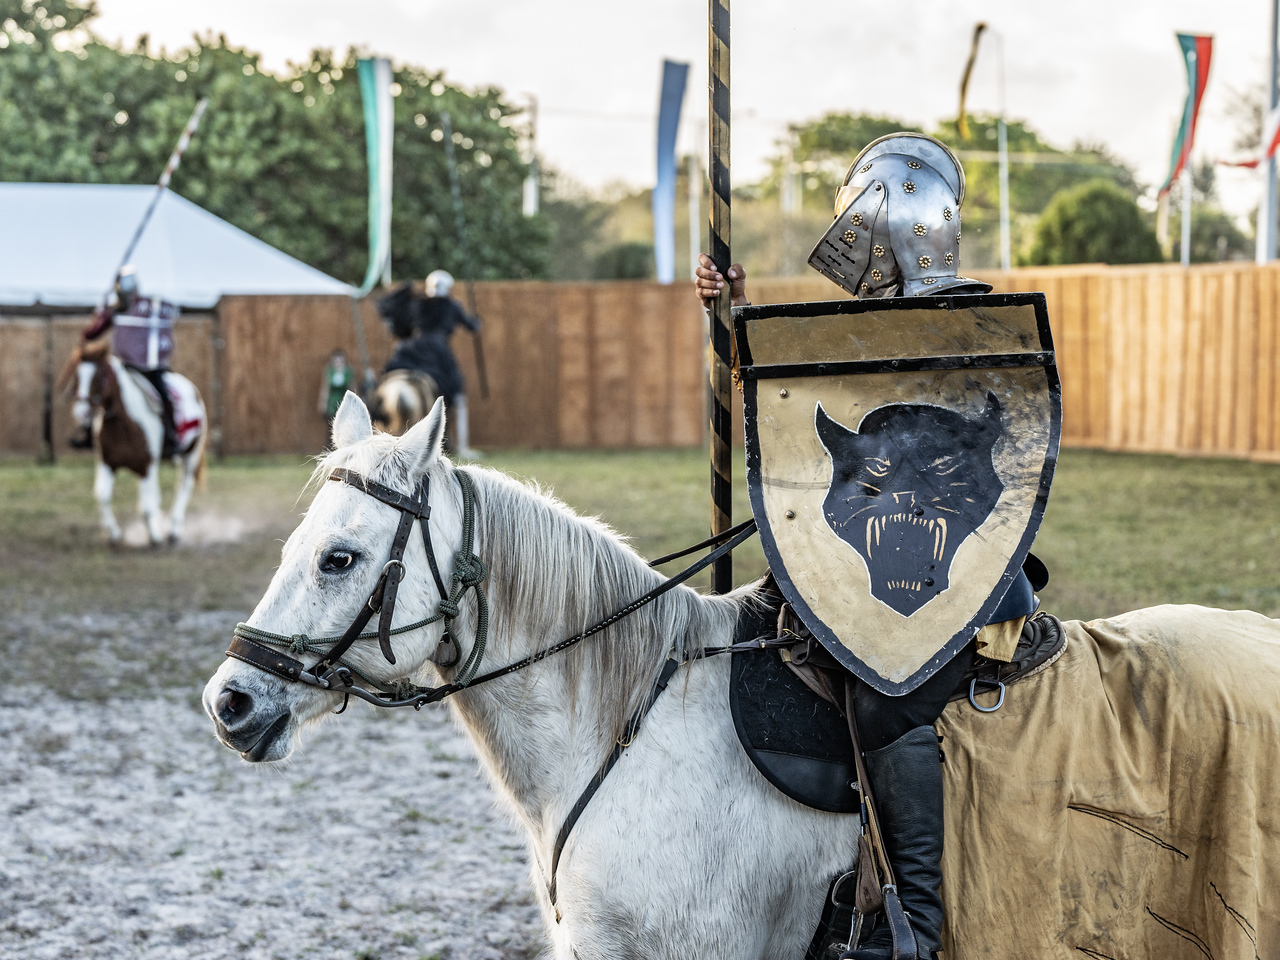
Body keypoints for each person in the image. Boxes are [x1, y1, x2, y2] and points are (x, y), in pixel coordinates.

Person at [696, 134, 1040, 960]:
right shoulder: (870, 325)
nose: (851, 252)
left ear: (903, 228)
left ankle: (913, 925)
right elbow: (802, 397)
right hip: (872, 563)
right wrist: (730, 312)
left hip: (961, 580)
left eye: (863, 230)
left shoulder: (975, 325)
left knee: (888, 694)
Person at [73, 266, 180, 455]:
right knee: (99, 392)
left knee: (164, 396)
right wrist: (99, 316)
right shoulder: (115, 311)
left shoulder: (146, 308)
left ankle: (171, 437)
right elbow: (92, 333)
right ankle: (89, 433)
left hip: (149, 367)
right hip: (124, 365)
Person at [377, 269, 481, 457]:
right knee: (455, 390)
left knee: (385, 379)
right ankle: (457, 443)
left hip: (409, 350)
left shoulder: (416, 303)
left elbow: (402, 326)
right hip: (437, 352)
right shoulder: (451, 305)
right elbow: (471, 325)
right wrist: (476, 321)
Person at [318, 348, 355, 447]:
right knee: (330, 428)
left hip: (343, 402)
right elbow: (325, 388)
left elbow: (351, 387)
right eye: (336, 360)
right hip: (332, 402)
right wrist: (323, 402)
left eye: (340, 360)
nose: (338, 363)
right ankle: (329, 449)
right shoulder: (329, 371)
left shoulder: (348, 372)